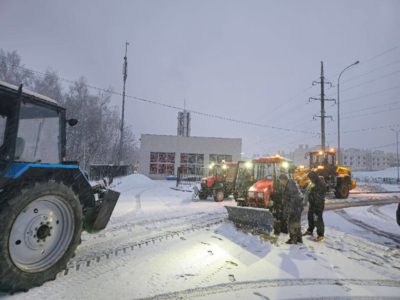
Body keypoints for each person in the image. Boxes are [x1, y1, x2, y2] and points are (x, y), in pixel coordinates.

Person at [279, 174, 303, 244]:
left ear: (284, 180)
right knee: (296, 223)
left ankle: (293, 239)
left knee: (292, 223)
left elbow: (293, 198)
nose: (280, 182)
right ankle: (298, 238)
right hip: (296, 207)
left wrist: (290, 209)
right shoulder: (289, 184)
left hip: (295, 207)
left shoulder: (290, 185)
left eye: (280, 180)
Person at [303, 171, 327, 242]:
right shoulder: (311, 183)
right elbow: (308, 191)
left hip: (318, 205)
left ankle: (320, 235)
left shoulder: (320, 184)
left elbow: (319, 195)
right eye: (309, 178)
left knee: (317, 219)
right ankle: (310, 230)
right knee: (310, 217)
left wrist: (312, 195)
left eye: (311, 178)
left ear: (314, 177)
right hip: (312, 204)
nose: (310, 179)